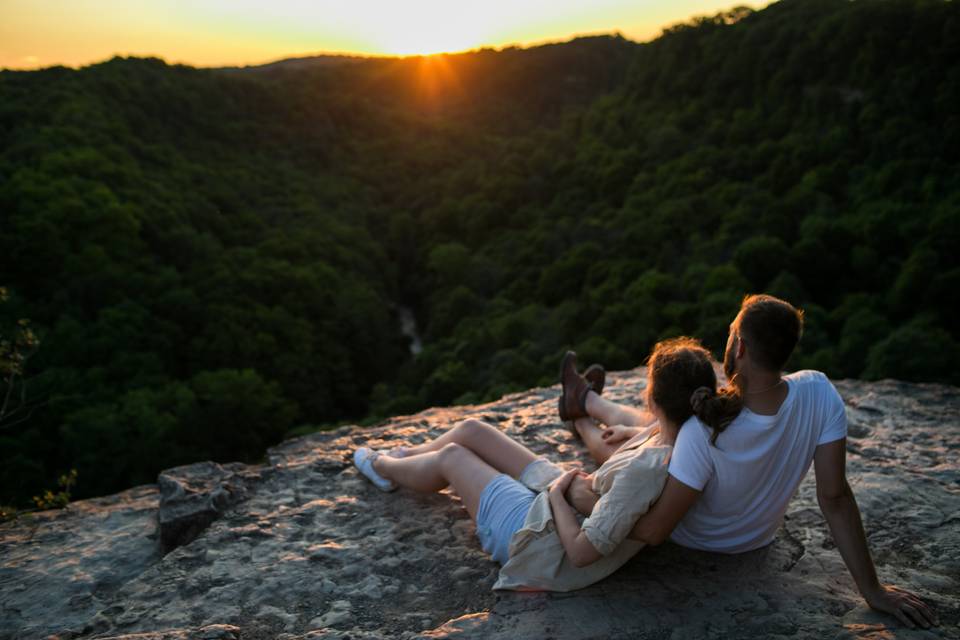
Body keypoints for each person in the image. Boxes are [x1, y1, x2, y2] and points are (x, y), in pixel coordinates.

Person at [559, 294, 938, 629]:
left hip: (698, 540)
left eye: (729, 332)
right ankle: (587, 401)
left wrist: (583, 497)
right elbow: (835, 498)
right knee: (653, 427)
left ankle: (580, 419)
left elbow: (655, 530)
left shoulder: (701, 431)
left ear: (739, 347)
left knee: (634, 457)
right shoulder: (820, 392)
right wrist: (871, 590)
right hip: (756, 537)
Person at [352, 338, 726, 591]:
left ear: (652, 397)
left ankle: (382, 466)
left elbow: (581, 553)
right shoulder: (677, 432)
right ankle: (408, 456)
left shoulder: (648, 468)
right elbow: (635, 461)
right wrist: (628, 431)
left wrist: (558, 497)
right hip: (561, 498)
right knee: (471, 430)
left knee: (453, 458)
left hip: (541, 539)